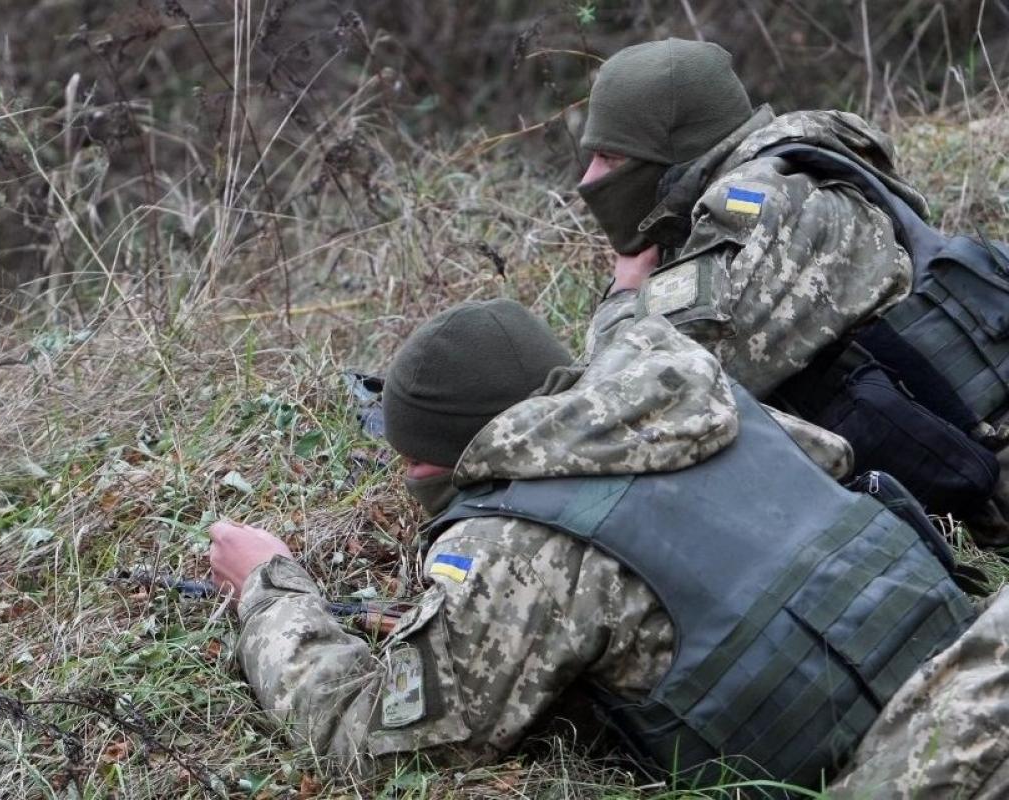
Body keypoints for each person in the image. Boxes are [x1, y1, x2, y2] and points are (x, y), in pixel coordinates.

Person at [209, 297, 974, 793]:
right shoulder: (713, 405)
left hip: (905, 773)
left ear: (437, 461)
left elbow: (373, 740)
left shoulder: (517, 545)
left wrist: (270, 589)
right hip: (977, 664)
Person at [575, 38, 1009, 545]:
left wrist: (623, 296)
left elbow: (638, 396)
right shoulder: (800, 168)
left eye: (610, 156)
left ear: (673, 154)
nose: (589, 179)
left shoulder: (759, 206)